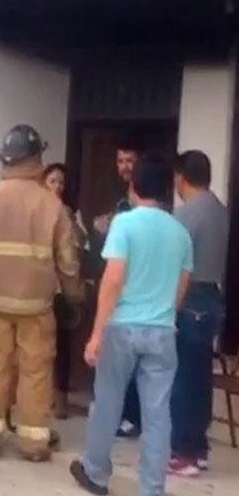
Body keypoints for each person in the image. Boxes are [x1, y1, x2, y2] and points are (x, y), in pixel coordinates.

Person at [70, 155, 193, 496]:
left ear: (133, 185)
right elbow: (181, 286)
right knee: (158, 414)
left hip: (121, 327)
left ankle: (96, 473)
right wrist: (165, 316)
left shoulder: (124, 223)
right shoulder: (181, 233)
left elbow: (112, 280)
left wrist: (95, 334)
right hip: (162, 330)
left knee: (107, 402)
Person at [0, 125, 83, 462]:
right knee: (35, 371)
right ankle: (32, 443)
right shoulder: (51, 205)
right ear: (36, 159)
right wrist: (73, 296)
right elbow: (68, 262)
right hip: (36, 306)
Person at [167, 150, 228, 477]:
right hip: (213, 296)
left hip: (190, 296)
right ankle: (199, 447)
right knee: (201, 375)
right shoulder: (220, 210)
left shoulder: (186, 214)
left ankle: (184, 452)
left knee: (183, 377)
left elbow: (176, 263)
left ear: (181, 177)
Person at [93, 146, 142, 439]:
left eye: (129, 160)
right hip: (118, 284)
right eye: (120, 161)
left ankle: (130, 417)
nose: (124, 166)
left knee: (130, 361)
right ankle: (121, 415)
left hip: (131, 288)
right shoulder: (118, 198)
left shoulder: (143, 202)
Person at [42, 163, 87, 419]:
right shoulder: (36, 209)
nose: (58, 186)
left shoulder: (69, 213)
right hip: (41, 286)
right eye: (53, 181)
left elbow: (80, 244)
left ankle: (59, 400)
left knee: (62, 344)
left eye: (61, 182)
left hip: (62, 289)